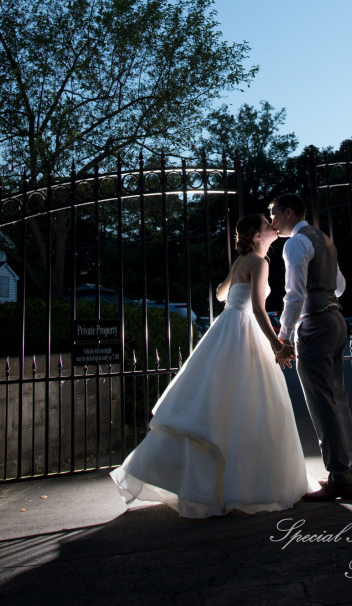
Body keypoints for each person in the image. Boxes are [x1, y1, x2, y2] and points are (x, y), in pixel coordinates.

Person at [110, 213, 315, 518]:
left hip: (226, 327)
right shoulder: (259, 263)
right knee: (249, 407)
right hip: (244, 331)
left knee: (216, 403)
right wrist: (277, 345)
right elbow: (259, 310)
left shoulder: (241, 261)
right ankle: (247, 486)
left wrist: (232, 282)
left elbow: (221, 294)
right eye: (265, 225)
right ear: (257, 236)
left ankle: (211, 485)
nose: (272, 227)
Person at [269, 192, 352, 501]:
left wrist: (284, 337)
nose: (273, 221)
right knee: (339, 398)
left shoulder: (295, 243)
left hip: (315, 323)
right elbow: (340, 285)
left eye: (275, 214)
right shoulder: (324, 239)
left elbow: (293, 294)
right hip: (336, 319)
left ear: (288, 212)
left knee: (321, 401)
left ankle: (339, 477)